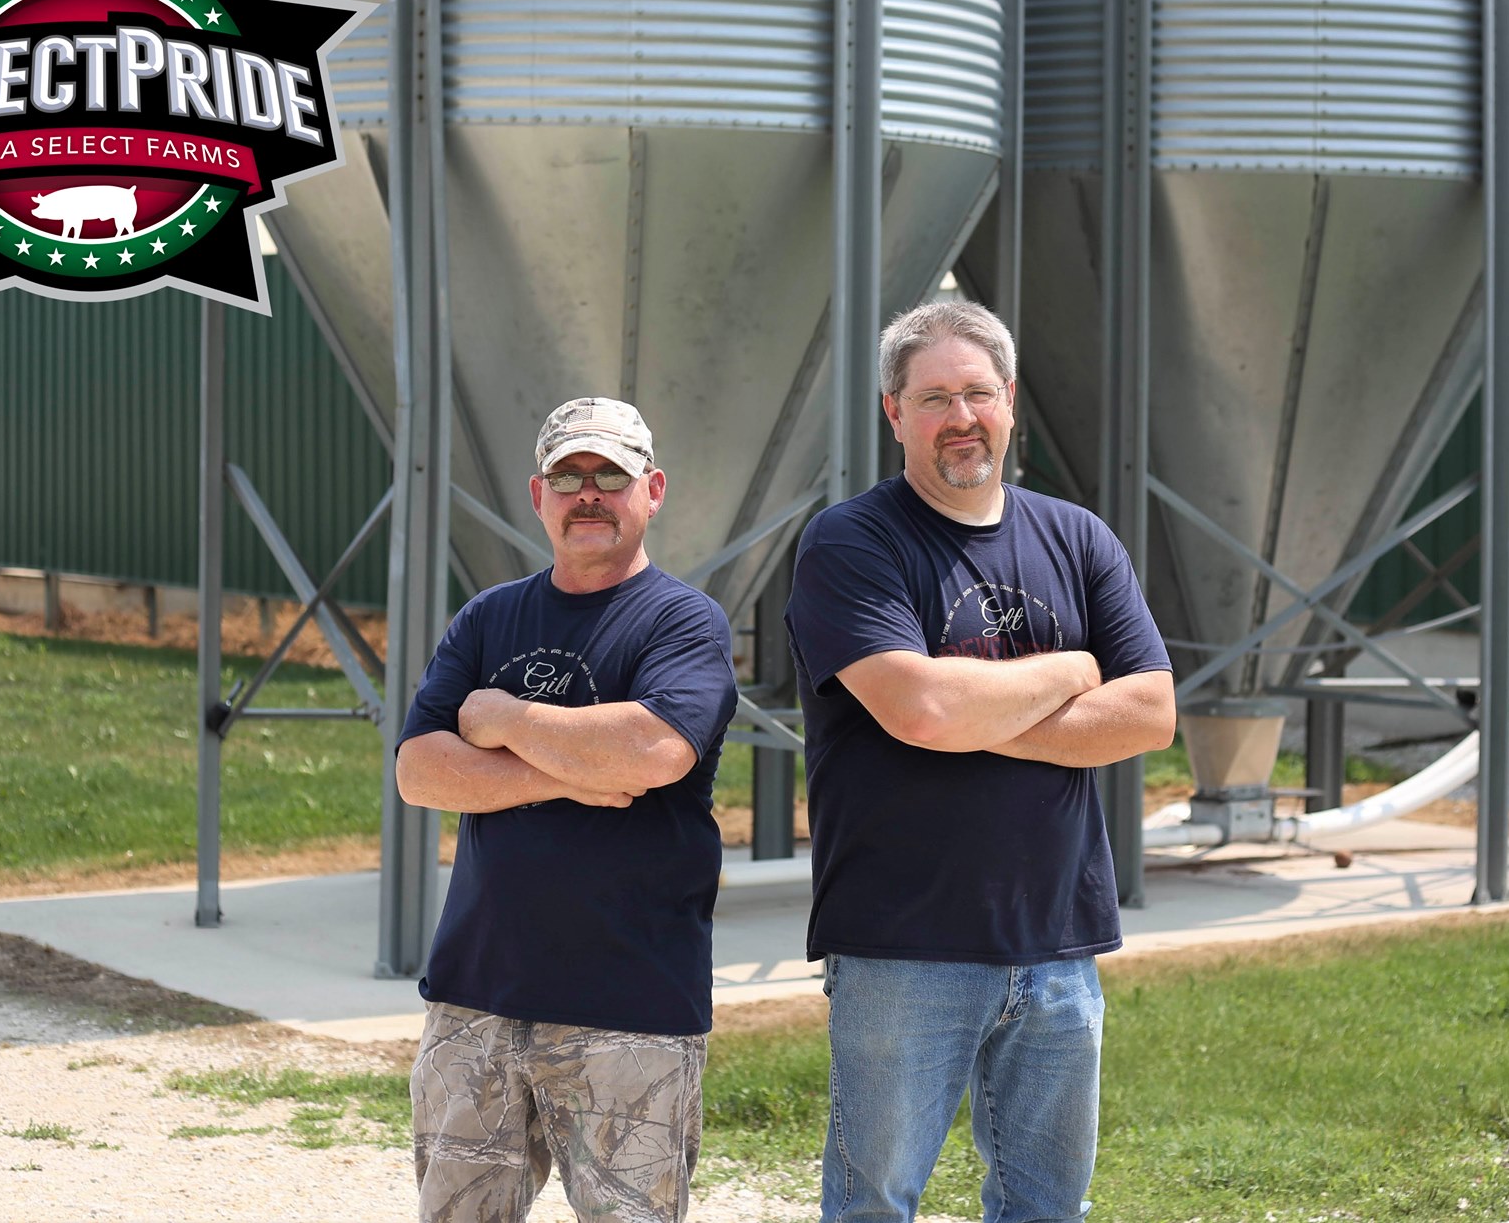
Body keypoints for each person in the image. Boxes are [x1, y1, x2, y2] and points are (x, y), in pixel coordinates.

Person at [786, 298, 1177, 1223]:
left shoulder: (1077, 537)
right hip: (902, 943)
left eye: (976, 393)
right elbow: (919, 708)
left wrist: (967, 711)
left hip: (1059, 941)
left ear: (1009, 401)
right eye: (932, 399)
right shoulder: (852, 543)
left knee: (1048, 1204)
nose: (960, 417)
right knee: (874, 1202)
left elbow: (1153, 712)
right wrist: (1075, 672)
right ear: (894, 413)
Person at [395, 396, 738, 1223]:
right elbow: (420, 771)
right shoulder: (488, 616)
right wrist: (573, 771)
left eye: (610, 476)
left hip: (632, 1005)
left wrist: (506, 721)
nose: (589, 493)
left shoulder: (683, 621)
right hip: (475, 994)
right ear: (538, 494)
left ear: (651, 489)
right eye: (569, 476)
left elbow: (654, 751)